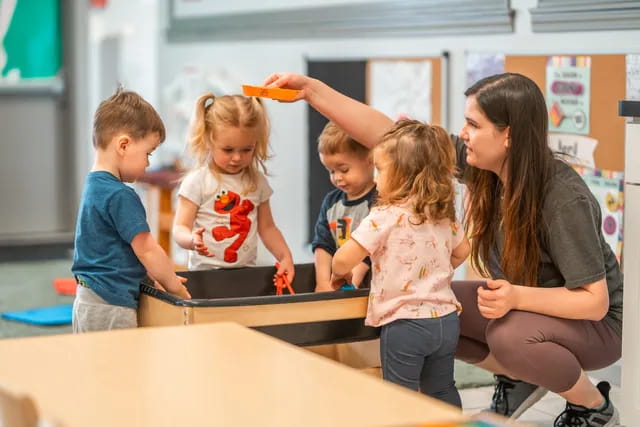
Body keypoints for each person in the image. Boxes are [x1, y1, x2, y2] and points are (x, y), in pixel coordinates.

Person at [262, 72, 623, 426]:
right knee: (434, 306)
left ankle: (592, 406)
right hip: (531, 308)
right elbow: (390, 136)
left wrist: (515, 298)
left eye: (473, 124)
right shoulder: (488, 167)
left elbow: (593, 302)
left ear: (508, 134)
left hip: (598, 327)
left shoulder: (563, 198)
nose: (463, 134)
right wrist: (311, 90)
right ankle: (521, 376)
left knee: (508, 336)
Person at [329, 119, 470, 406]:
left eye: (380, 169)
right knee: (441, 390)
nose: (376, 177)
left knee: (399, 397)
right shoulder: (442, 213)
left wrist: (338, 274)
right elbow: (462, 251)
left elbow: (344, 258)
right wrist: (435, 273)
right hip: (445, 320)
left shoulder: (384, 215)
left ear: (403, 175)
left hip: (405, 325)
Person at [72, 88, 191, 333]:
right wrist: (175, 288)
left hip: (87, 299)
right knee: (121, 366)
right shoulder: (120, 194)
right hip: (111, 305)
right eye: (147, 153)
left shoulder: (93, 185)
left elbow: (117, 250)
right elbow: (147, 249)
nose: (148, 163)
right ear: (124, 145)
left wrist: (153, 278)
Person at [172, 93, 294, 281]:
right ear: (208, 140)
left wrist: (285, 257)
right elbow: (180, 228)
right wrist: (191, 240)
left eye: (246, 149)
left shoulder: (257, 182)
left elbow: (268, 228)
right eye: (228, 150)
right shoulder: (197, 182)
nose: (237, 157)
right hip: (205, 276)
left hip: (246, 275)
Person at [312, 121, 376, 292]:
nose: (337, 178)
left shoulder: (380, 200)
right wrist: (323, 282)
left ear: (370, 161)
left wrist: (354, 278)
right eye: (331, 171)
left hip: (371, 285)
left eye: (344, 169)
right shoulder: (331, 202)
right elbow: (323, 244)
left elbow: (373, 245)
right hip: (339, 279)